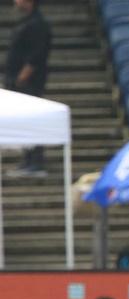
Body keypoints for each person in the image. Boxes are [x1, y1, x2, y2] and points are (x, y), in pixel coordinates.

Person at [5, 0, 52, 178]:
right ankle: (28, 158)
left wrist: (22, 76)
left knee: (33, 121)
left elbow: (37, 55)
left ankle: (35, 160)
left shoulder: (38, 24)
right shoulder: (26, 22)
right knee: (24, 122)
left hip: (29, 83)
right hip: (18, 81)